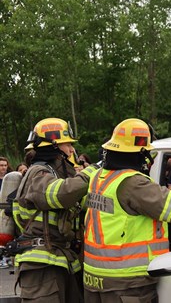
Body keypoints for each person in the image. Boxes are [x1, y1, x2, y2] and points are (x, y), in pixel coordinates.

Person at [83, 118, 171, 302]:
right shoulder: (133, 183)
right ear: (140, 153)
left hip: (95, 278)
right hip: (126, 283)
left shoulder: (98, 177)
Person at [12, 118, 97, 302]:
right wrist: (92, 172)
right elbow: (60, 194)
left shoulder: (52, 174)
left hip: (59, 258)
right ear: (55, 147)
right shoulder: (38, 173)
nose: (72, 150)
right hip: (41, 265)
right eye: (68, 144)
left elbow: (78, 203)